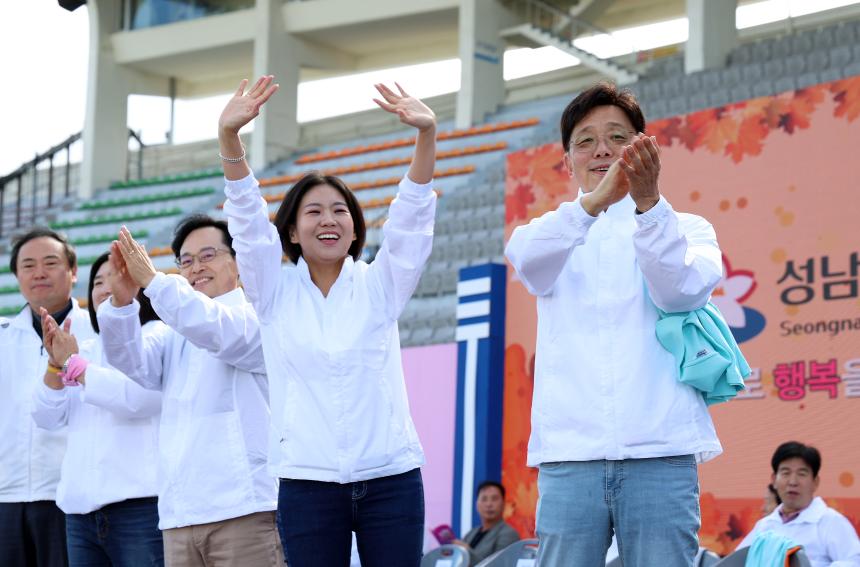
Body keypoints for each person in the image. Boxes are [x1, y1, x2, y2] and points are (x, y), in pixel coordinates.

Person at [219, 76, 436, 567]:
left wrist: (427, 135)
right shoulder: (271, 291)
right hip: (307, 484)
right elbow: (249, 227)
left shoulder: (381, 285)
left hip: (391, 481)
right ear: (291, 232)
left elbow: (410, 225)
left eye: (340, 210)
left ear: (356, 227)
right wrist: (230, 140)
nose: (328, 220)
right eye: (313, 211)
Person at [504, 82, 724, 567]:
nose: (601, 149)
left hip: (660, 451)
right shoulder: (550, 233)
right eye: (585, 140)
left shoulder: (687, 228)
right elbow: (527, 261)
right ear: (567, 160)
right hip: (570, 454)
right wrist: (594, 203)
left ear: (644, 147)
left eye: (617, 137)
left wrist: (647, 208)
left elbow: (678, 290)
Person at [97, 216, 283, 566]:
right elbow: (131, 363)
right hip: (180, 516)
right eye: (186, 260)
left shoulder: (257, 317)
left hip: (244, 510)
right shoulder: (174, 332)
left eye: (208, 255)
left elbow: (215, 328)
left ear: (238, 261)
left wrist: (154, 281)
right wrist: (122, 305)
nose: (196, 267)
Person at [31, 252, 164, 566]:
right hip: (79, 513)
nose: (106, 287)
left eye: (116, 277)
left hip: (139, 508)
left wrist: (74, 366)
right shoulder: (80, 348)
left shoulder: (157, 335)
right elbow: (46, 417)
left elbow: (137, 399)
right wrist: (55, 365)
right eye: (98, 282)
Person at [0, 227, 97, 567]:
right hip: (6, 498)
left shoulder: (99, 333)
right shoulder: (3, 338)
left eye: (50, 262)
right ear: (16, 276)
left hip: (71, 499)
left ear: (73, 271)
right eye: (27, 265)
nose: (38, 272)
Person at [738, 442, 860, 566]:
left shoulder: (831, 522)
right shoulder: (764, 526)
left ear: (815, 482)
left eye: (802, 474)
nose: (793, 482)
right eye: (786, 473)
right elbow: (736, 562)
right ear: (774, 480)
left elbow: (854, 563)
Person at [453, 481, 520, 564]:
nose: (489, 504)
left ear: (503, 504)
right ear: (477, 504)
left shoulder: (509, 533)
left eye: (494, 499)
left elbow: (500, 564)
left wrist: (466, 552)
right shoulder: (471, 533)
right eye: (484, 499)